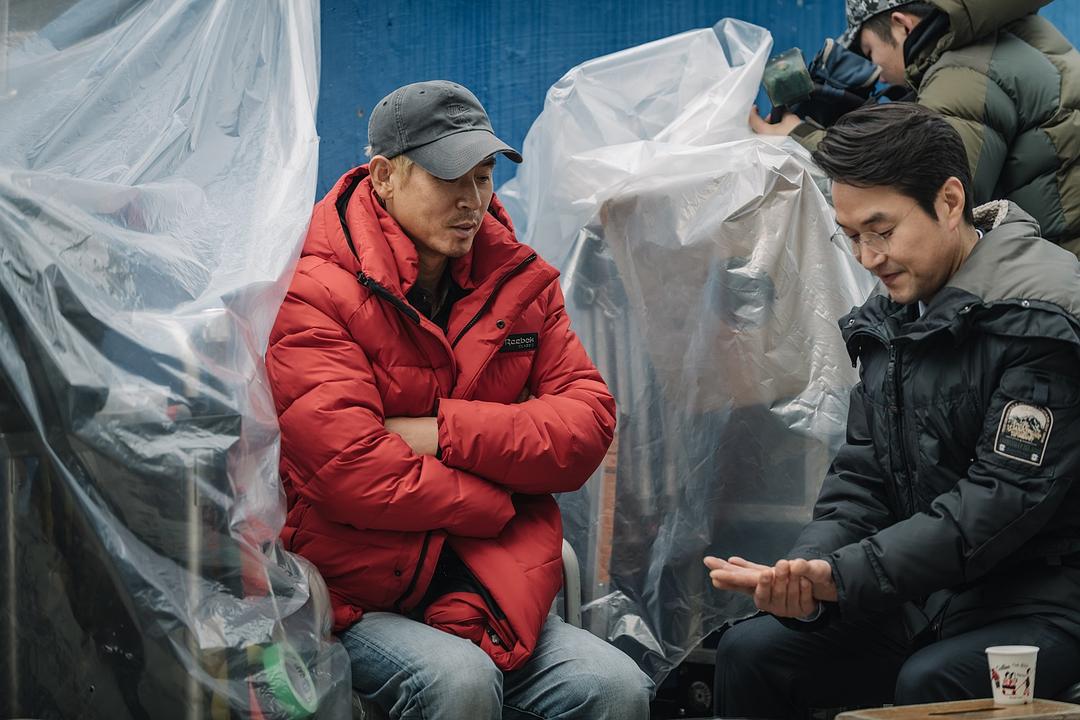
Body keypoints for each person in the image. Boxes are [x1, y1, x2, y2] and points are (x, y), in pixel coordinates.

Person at [265, 80, 652, 719]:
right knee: (459, 680)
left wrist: (440, 430)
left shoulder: (519, 281)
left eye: (483, 176)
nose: (472, 200)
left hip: (488, 585)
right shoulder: (313, 289)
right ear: (384, 177)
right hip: (355, 594)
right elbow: (351, 471)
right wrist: (498, 497)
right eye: (450, 178)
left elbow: (586, 426)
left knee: (615, 687)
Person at [706, 102, 1080, 717]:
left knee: (931, 681)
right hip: (929, 594)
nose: (867, 257)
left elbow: (1001, 500)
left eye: (881, 231)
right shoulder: (891, 320)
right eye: (851, 236)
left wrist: (845, 577)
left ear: (950, 201)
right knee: (753, 652)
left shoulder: (1039, 318)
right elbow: (862, 479)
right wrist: (808, 572)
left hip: (1044, 599)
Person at [751, 0, 1080, 255]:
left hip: (1052, 287)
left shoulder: (964, 72)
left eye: (869, 51)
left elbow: (923, 197)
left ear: (902, 25)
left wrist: (800, 136)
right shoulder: (1008, 37)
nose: (876, 70)